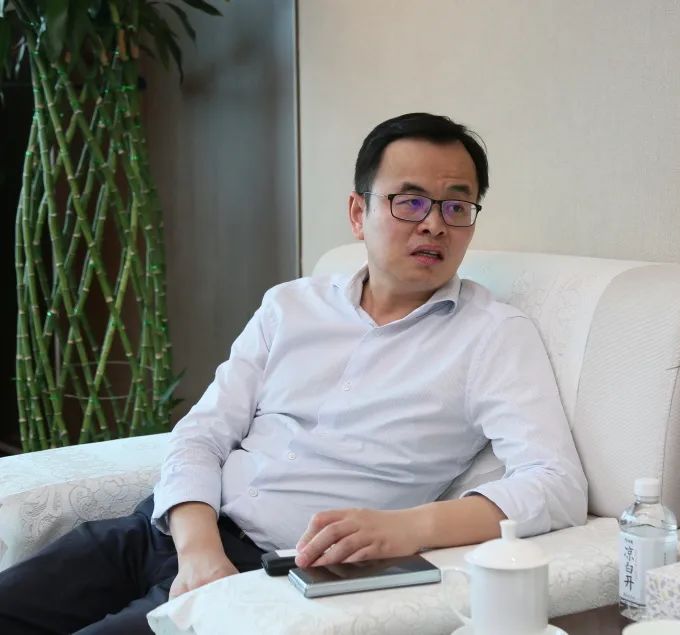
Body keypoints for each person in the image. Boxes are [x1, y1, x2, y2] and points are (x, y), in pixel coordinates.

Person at [0, 113, 587, 634]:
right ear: (357, 212)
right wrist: (198, 546)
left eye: (456, 206)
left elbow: (556, 482)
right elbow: (203, 431)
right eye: (409, 202)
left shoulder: (493, 335)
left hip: (273, 574)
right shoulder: (290, 305)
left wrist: (409, 528)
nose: (434, 224)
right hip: (166, 529)